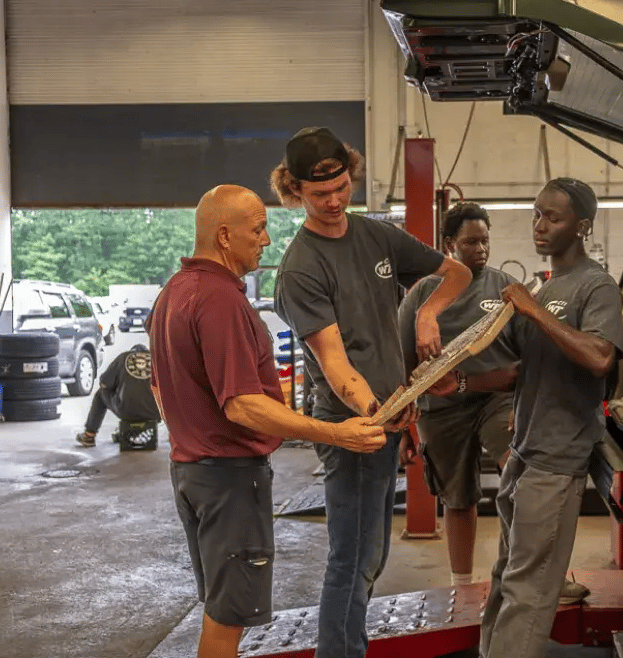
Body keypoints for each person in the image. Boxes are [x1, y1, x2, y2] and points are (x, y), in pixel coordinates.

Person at [145, 184, 387, 658]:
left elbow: (159, 391)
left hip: (191, 473)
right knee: (228, 616)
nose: (267, 240)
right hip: (229, 480)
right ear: (224, 235)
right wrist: (335, 433)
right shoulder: (219, 300)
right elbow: (242, 405)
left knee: (220, 605)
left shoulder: (172, 293)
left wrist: (194, 429)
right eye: (257, 229)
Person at [270, 127, 472, 658]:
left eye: (341, 187)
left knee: (370, 558)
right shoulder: (300, 268)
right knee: (352, 560)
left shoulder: (377, 237)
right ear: (294, 191)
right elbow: (335, 365)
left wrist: (428, 309)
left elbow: (456, 272)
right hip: (352, 428)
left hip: (387, 421)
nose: (334, 201)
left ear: (351, 174)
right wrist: (382, 416)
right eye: (319, 195)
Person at [430, 177, 623, 658]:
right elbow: (520, 370)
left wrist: (533, 310)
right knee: (505, 581)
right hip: (523, 456)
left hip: (557, 460)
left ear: (581, 227)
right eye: (536, 213)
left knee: (529, 593)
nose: (539, 225)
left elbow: (600, 357)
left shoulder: (595, 287)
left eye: (551, 217)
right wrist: (457, 383)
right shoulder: (546, 285)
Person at [397, 202, 517, 587]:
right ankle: (460, 584)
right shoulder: (424, 296)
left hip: (496, 396)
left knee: (518, 469)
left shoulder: (505, 288)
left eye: (485, 241)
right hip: (443, 406)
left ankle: (519, 570)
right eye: (470, 242)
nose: (480, 249)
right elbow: (402, 363)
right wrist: (402, 428)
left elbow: (525, 356)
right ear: (449, 245)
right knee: (457, 496)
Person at [75, 343, 160, 448]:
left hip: (125, 409)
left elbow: (104, 383)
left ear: (131, 352)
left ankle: (89, 435)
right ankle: (176, 437)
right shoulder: (157, 360)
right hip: (155, 412)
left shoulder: (123, 357)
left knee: (100, 394)